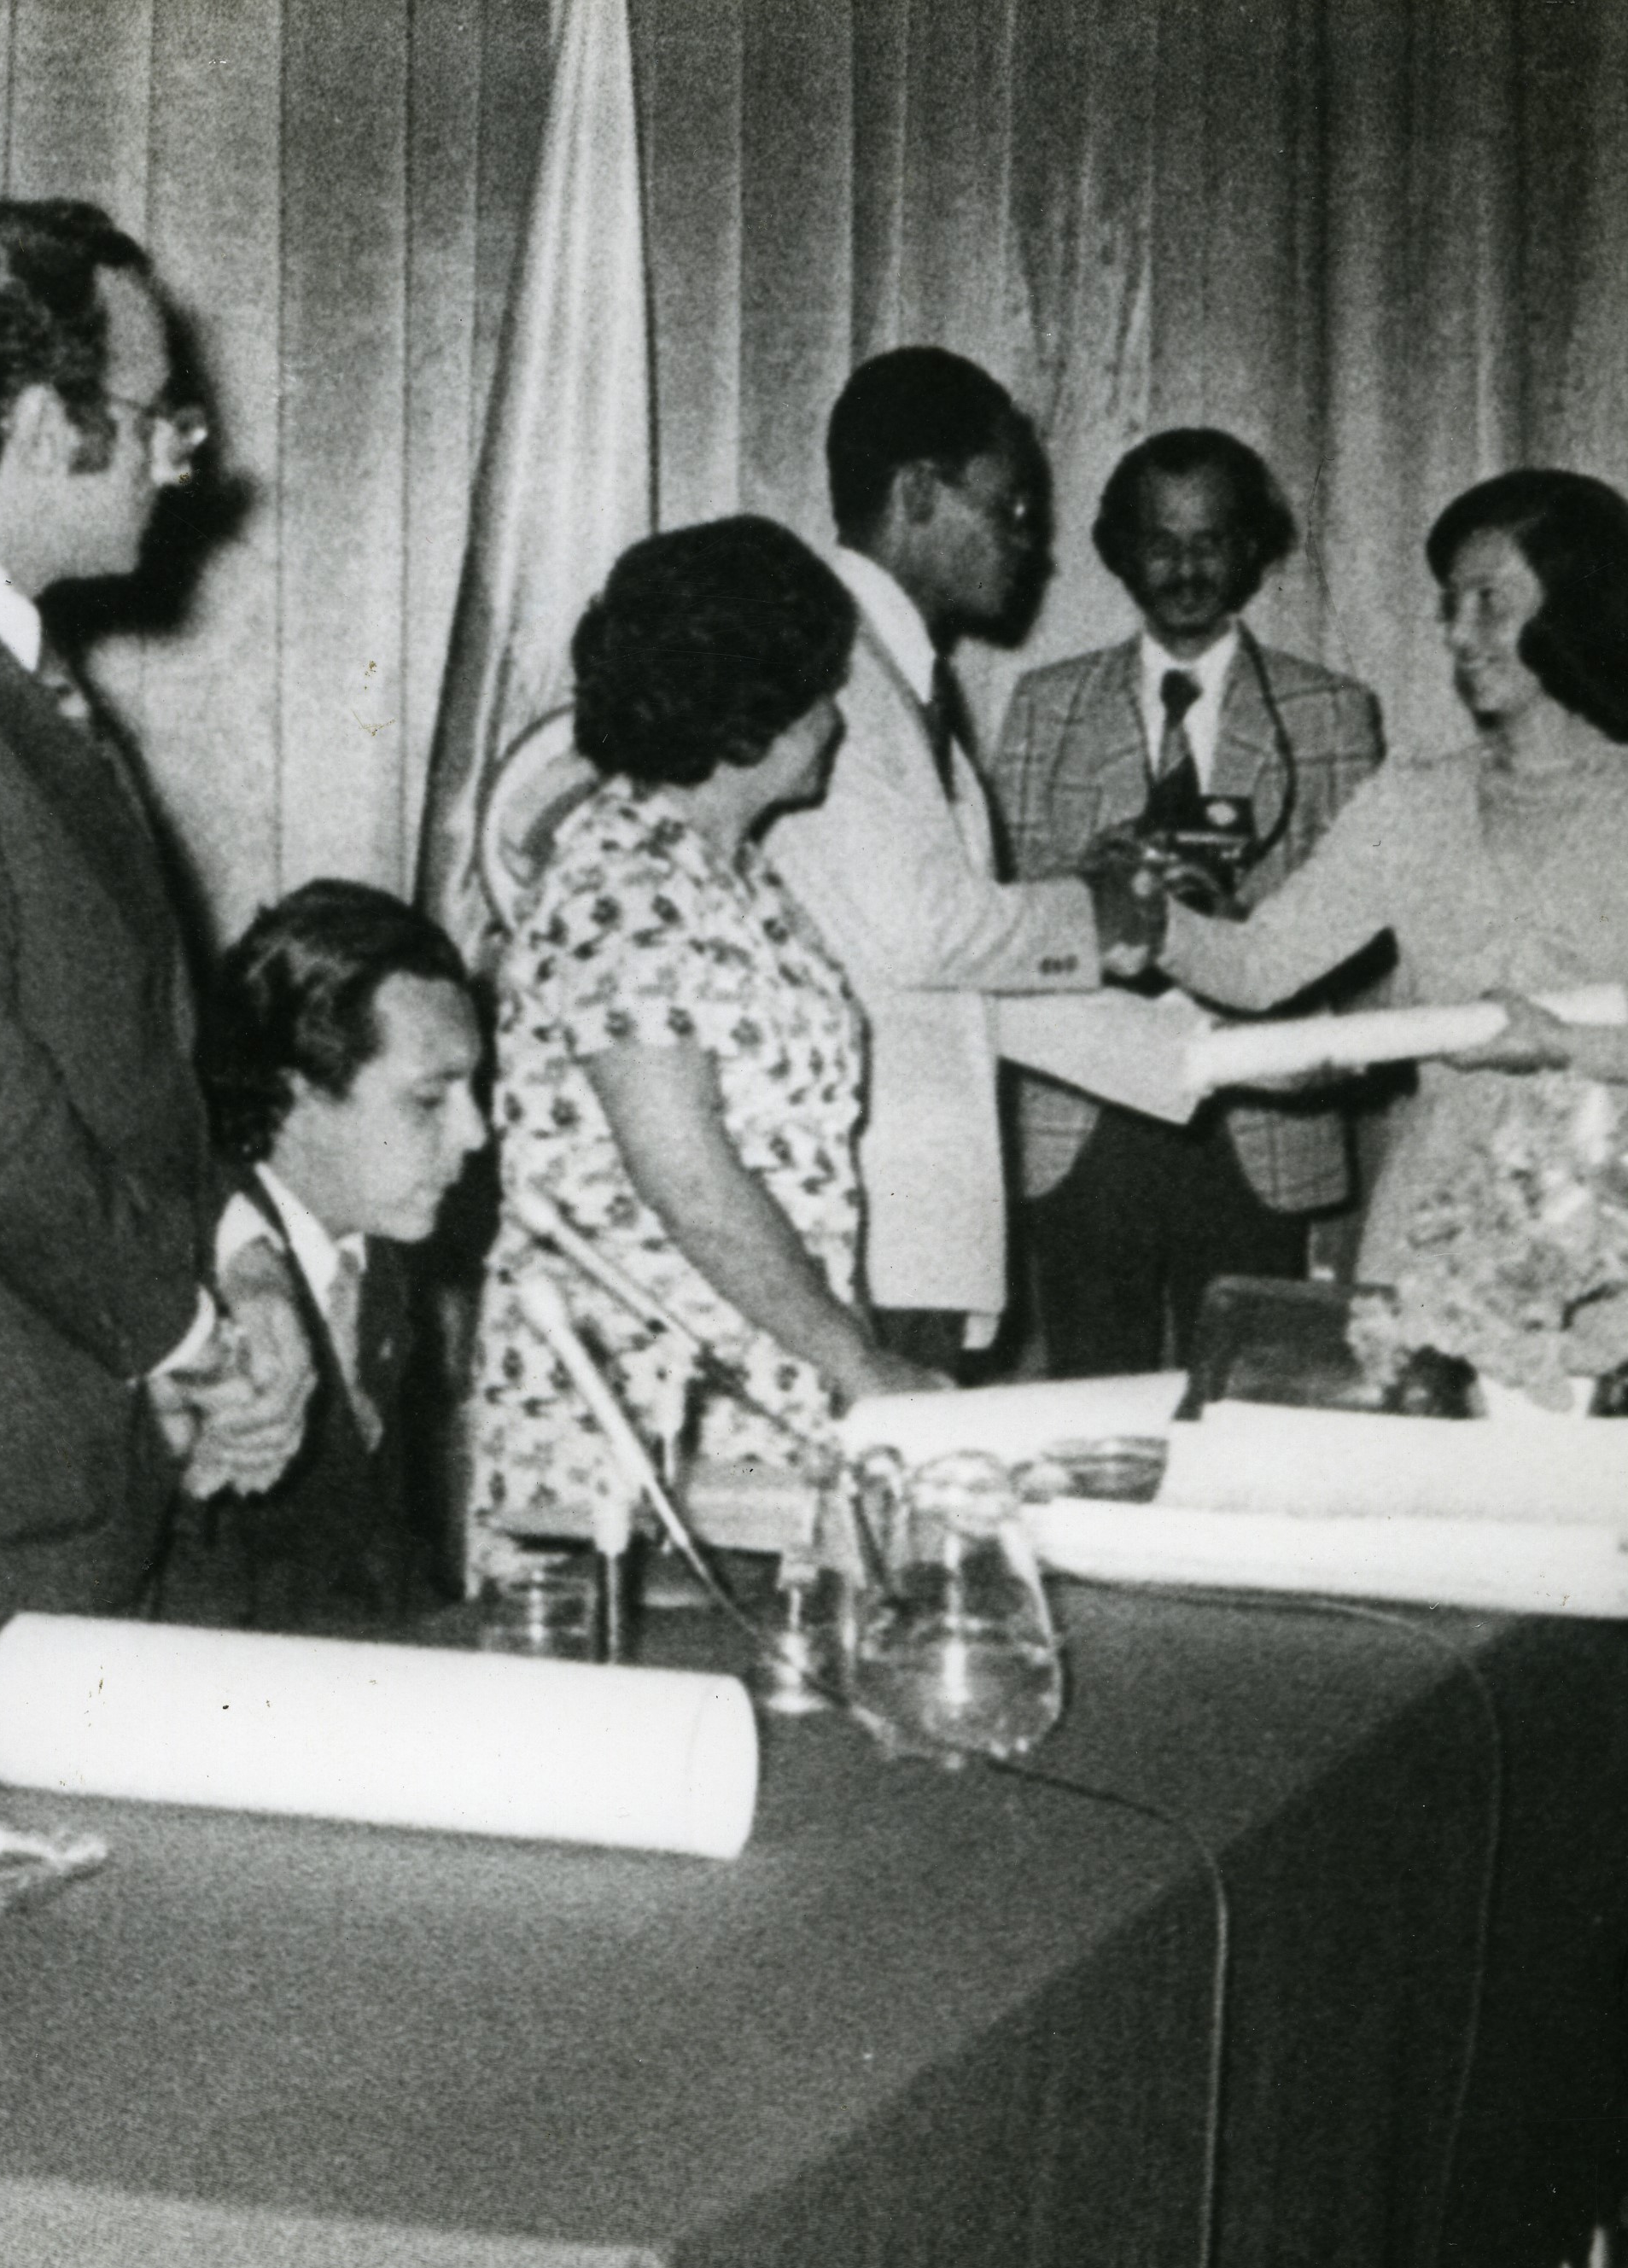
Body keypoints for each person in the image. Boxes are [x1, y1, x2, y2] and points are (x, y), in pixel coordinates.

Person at [0, 198, 309, 1820]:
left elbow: (145, 1073)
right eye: (163, 414)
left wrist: (244, 1263)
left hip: (100, 1465)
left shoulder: (19, 673)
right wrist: (185, 1329)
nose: (186, 456)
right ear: (41, 424)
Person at [1151, 469, 1628, 1373]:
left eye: (1489, 601)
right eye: (1450, 605)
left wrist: (1563, 1044)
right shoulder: (1407, 804)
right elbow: (1258, 967)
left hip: (1627, 1227)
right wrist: (1145, 923)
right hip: (1440, 1226)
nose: (1458, 633)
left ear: (1575, 608)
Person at [470, 518, 947, 1575]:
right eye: (816, 691)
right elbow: (687, 1178)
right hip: (635, 1413)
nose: (834, 718)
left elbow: (797, 1174)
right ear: (747, 714)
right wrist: (859, 1361)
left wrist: (841, 1359)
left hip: (749, 1391)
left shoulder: (726, 872)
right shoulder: (623, 883)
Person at [761, 347, 1148, 1369]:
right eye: (1010, 507)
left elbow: (962, 980)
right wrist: (1100, 910)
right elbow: (924, 931)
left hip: (907, 1233)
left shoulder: (900, 676)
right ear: (918, 494)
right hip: (857, 1235)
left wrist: (1201, 1060)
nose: (1031, 544)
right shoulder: (832, 670)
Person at [989, 429, 1387, 1373]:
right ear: (1119, 551)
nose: (1185, 568)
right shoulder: (1046, 702)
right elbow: (1004, 909)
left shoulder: (1329, 711)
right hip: (1085, 1114)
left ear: (1251, 548)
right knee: (1091, 1399)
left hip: (1256, 1115)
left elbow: (1369, 924)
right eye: (1160, 543)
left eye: (1211, 541)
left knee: (1246, 1397)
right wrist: (1086, 890)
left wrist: (1245, 941)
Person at [165, 882, 486, 1631]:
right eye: (430, 1099)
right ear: (298, 1097)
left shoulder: (378, 1261)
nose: (476, 1134)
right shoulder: (197, 1282)